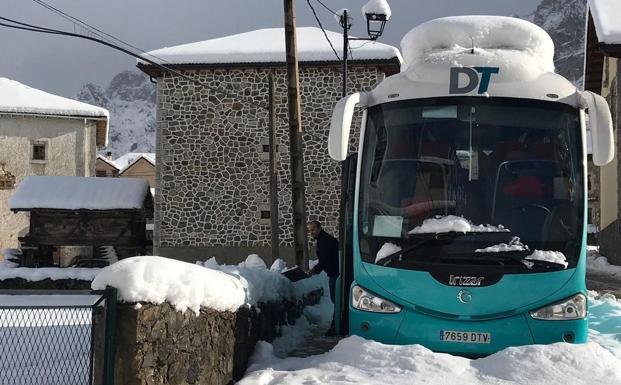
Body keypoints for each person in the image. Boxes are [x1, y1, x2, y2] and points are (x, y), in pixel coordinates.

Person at [307, 220, 339, 336]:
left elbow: (325, 260)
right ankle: (336, 326)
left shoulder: (325, 240)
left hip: (336, 274)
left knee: (337, 301)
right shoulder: (323, 239)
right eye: (310, 230)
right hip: (334, 273)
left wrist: (314, 270)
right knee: (336, 300)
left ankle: (335, 328)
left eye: (313, 229)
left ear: (319, 228)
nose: (311, 232)